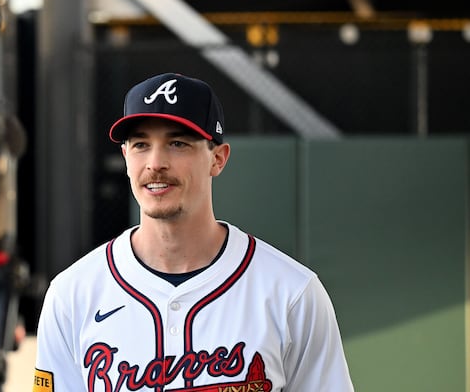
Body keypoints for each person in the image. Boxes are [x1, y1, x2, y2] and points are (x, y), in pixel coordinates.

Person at [33, 73, 354, 391]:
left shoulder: (291, 293)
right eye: (141, 144)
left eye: (177, 143)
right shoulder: (72, 296)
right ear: (126, 158)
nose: (156, 162)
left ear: (218, 158)